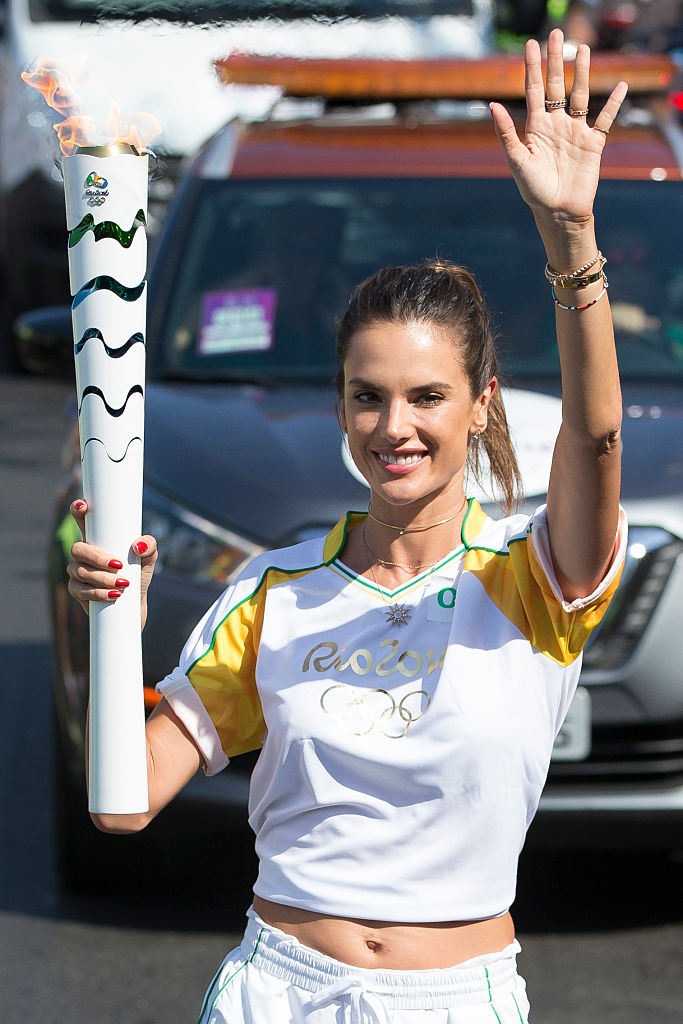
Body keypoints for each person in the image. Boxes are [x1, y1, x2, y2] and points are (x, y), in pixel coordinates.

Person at [67, 30, 628, 1024]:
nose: (392, 426)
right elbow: (123, 803)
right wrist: (116, 627)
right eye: (367, 397)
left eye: (426, 396)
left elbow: (594, 437)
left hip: (451, 999)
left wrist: (570, 240)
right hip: (276, 988)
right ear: (340, 408)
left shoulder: (535, 580)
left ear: (480, 406)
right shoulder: (272, 590)